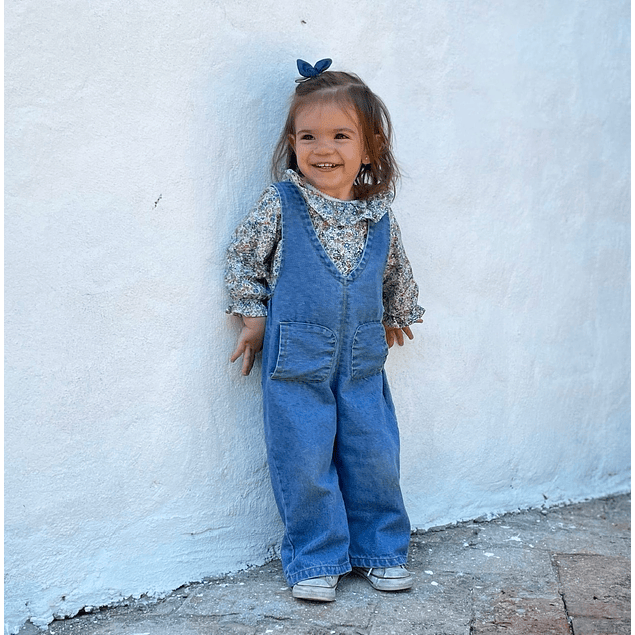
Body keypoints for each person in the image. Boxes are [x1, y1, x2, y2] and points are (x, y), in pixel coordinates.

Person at [225, 58, 424, 602]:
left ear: (370, 147)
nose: (323, 149)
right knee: (304, 459)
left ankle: (382, 550)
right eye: (308, 136)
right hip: (296, 359)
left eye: (340, 135)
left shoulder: (377, 215)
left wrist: (397, 312)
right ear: (293, 143)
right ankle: (316, 558)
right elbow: (246, 259)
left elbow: (395, 268)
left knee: (374, 456)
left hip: (362, 360)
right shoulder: (283, 204)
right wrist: (253, 317)